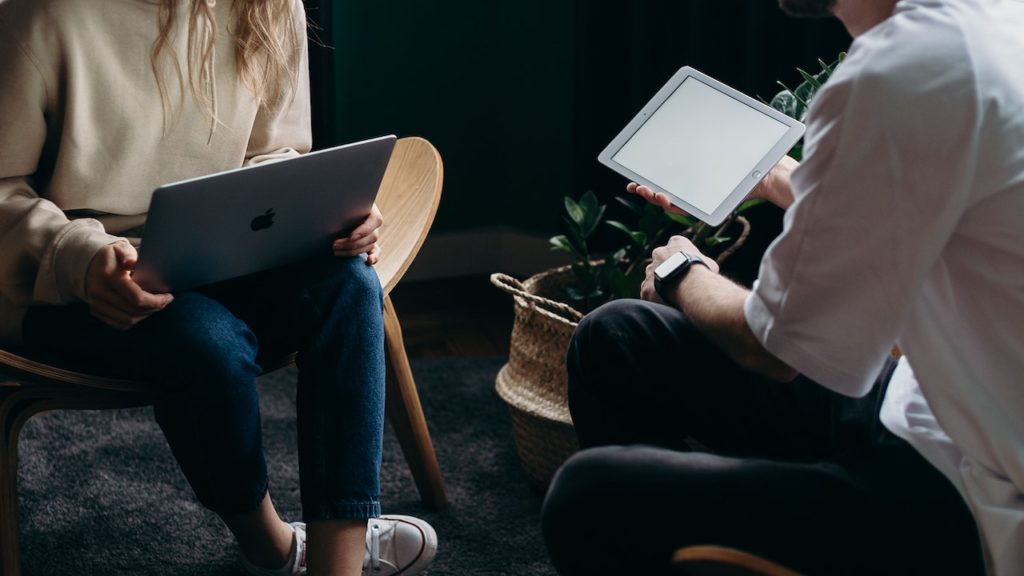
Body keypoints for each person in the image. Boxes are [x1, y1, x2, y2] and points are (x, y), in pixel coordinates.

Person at [541, 0, 1024, 574]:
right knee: (618, 336)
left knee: (589, 498)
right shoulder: (987, 23)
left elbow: (771, 347)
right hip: (931, 409)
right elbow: (905, 208)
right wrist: (771, 177)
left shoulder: (903, 67)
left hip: (980, 498)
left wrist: (679, 273)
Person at [0, 0, 437, 574]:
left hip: (224, 254)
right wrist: (81, 259)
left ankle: (339, 563)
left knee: (348, 282)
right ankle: (272, 547)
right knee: (207, 341)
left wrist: (331, 212)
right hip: (75, 287)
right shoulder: (44, 15)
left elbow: (273, 155)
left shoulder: (269, 7)